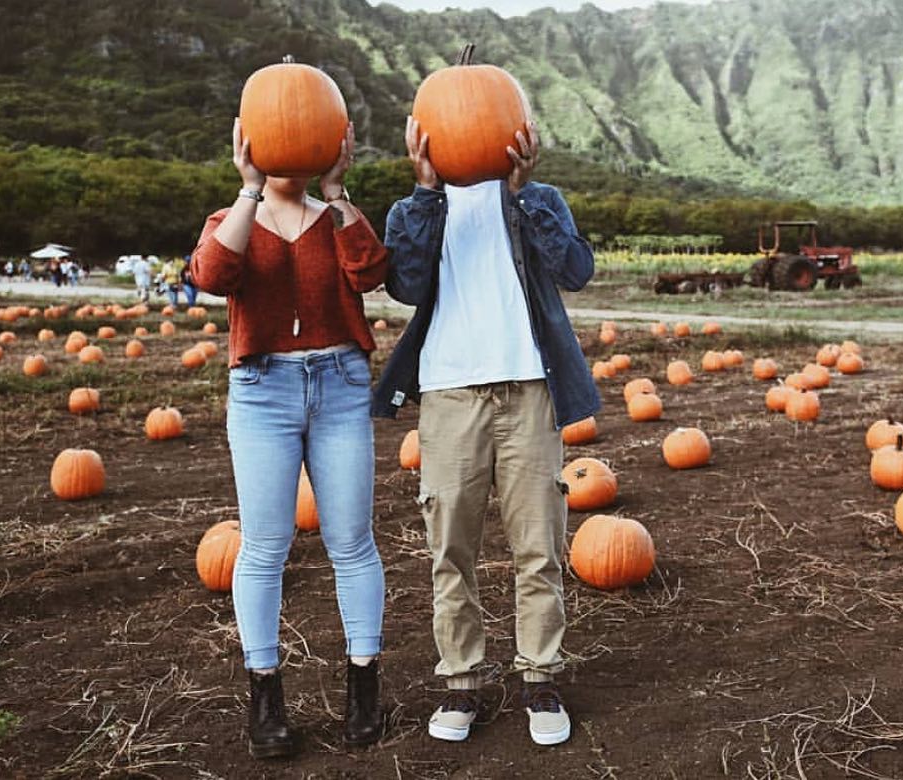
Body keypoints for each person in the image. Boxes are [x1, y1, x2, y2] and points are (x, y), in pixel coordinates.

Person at [372, 116, 599, 747]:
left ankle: (540, 677)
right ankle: (462, 680)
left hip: (530, 389)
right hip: (449, 394)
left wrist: (525, 193)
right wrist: (424, 192)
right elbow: (405, 284)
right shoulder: (414, 209)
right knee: (451, 547)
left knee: (539, 546)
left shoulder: (538, 199)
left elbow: (576, 269)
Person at [190, 119, 387, 759]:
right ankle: (266, 694)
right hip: (263, 390)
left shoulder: (335, 215)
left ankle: (364, 689)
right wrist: (248, 190)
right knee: (265, 544)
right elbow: (212, 276)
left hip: (340, 382)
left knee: (351, 541)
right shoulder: (230, 215)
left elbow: (371, 273)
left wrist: (337, 193)